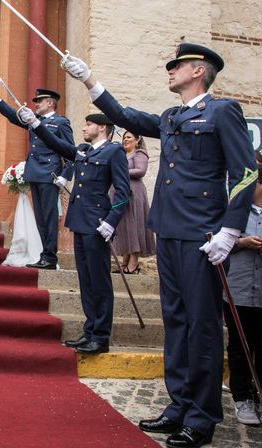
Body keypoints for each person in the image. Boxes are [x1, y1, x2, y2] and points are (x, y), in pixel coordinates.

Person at [62, 43, 257, 447]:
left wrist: (230, 230)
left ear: (199, 70)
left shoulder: (223, 112)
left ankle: (202, 416)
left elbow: (245, 173)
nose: (170, 70)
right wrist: (89, 79)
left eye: (177, 66)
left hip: (202, 234)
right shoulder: (171, 117)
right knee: (176, 320)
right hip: (166, 229)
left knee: (202, 325)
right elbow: (126, 117)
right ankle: (179, 403)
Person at [19, 109, 130, 354]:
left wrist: (111, 222)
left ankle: (101, 336)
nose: (83, 128)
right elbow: (55, 143)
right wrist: (36, 123)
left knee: (99, 282)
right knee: (86, 281)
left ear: (102, 127)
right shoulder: (83, 150)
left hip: (97, 224)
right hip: (79, 222)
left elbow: (123, 192)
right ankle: (90, 330)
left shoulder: (114, 151)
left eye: (88, 124)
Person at [0, 84, 74, 269]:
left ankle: (50, 256)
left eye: (39, 101)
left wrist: (65, 175)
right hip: (35, 173)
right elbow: (13, 116)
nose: (35, 104)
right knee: (40, 218)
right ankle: (45, 255)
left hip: (49, 174)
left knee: (49, 217)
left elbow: (70, 151)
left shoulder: (61, 123)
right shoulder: (33, 120)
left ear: (50, 103)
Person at [223, 152, 262, 426]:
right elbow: (219, 243)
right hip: (239, 288)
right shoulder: (235, 210)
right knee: (240, 346)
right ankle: (242, 396)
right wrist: (243, 243)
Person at [111, 131, 156, 274]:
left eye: (129, 137)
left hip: (134, 192)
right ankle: (124, 262)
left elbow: (140, 170)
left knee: (134, 225)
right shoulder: (120, 154)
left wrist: (118, 171)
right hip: (119, 192)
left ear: (137, 140)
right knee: (123, 226)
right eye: (124, 137)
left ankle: (134, 263)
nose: (125, 140)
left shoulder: (139, 153)